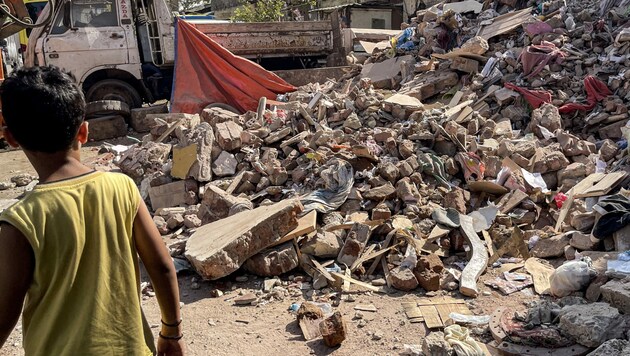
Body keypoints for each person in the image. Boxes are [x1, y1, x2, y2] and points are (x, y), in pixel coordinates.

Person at [0, 66, 185, 356]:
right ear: (84, 131)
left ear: (10, 138)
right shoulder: (122, 188)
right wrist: (171, 333)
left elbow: (4, 313)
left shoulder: (21, 221)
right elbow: (162, 267)